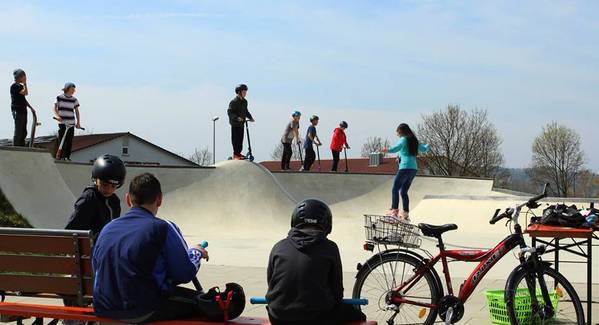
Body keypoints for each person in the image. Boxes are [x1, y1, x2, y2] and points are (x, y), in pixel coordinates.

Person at [92, 173, 209, 323]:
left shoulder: (108, 228)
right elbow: (185, 274)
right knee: (207, 304)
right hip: (141, 309)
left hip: (104, 308)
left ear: (128, 199)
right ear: (159, 199)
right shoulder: (163, 227)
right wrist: (196, 253)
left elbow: (97, 269)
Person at [266, 199, 366, 325]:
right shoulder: (330, 248)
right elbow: (337, 292)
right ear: (327, 224)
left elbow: (271, 283)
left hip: (277, 317)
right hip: (316, 318)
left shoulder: (278, 247)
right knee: (359, 316)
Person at [65, 154, 126, 238]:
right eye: (104, 185)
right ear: (95, 179)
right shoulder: (89, 199)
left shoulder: (114, 201)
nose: (108, 190)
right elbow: (72, 230)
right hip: (91, 246)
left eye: (113, 186)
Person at [382, 123, 429, 221]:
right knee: (404, 192)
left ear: (401, 131)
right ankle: (405, 214)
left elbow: (397, 148)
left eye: (398, 132)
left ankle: (394, 212)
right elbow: (424, 149)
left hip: (404, 168)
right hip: (413, 169)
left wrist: (387, 150)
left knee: (395, 189)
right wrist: (428, 144)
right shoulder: (414, 140)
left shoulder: (403, 139)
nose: (397, 134)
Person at [53, 82, 81, 160]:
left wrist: (78, 122)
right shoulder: (59, 97)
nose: (74, 91)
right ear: (67, 88)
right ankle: (60, 156)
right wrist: (58, 116)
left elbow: (77, 111)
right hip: (62, 122)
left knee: (69, 141)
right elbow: (55, 108)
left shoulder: (74, 100)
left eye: (74, 89)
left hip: (71, 123)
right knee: (62, 140)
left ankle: (67, 157)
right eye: (72, 89)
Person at [227, 84, 254, 160]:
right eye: (244, 92)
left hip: (242, 124)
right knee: (235, 139)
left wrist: (250, 117)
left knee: (240, 140)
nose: (245, 93)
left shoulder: (245, 102)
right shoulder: (234, 102)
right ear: (239, 92)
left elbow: (246, 111)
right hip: (235, 123)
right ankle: (236, 154)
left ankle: (239, 153)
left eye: (246, 92)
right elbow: (230, 112)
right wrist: (237, 118)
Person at [10, 69, 35, 147]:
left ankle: (21, 147)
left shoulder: (21, 86)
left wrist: (31, 107)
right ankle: (16, 147)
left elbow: (23, 98)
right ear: (19, 77)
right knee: (18, 130)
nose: (25, 78)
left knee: (24, 131)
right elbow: (25, 93)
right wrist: (25, 84)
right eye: (24, 77)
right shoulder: (14, 86)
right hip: (17, 110)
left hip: (23, 110)